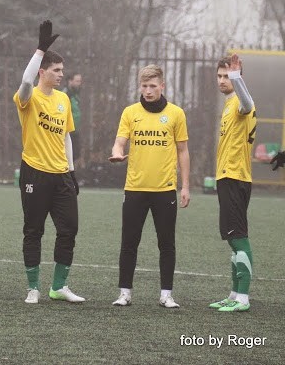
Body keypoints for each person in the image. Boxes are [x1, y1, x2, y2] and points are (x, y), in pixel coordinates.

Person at [108, 64, 190, 308]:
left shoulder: (176, 114)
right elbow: (119, 142)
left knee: (166, 244)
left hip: (165, 190)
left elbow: (183, 151)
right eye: (144, 86)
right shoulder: (130, 112)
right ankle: (125, 293)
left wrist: (185, 186)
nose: (148, 90)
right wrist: (116, 152)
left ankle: (166, 294)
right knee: (129, 243)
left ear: (162, 86)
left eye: (153, 86)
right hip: (135, 189)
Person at [14, 20, 84, 304]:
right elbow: (26, 82)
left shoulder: (64, 100)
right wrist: (40, 50)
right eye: (56, 70)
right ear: (43, 71)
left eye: (62, 71)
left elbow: (67, 137)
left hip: (61, 175)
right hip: (34, 173)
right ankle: (33, 288)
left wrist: (72, 171)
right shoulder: (29, 98)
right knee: (34, 230)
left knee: (69, 228)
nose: (61, 75)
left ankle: (59, 287)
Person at [209, 54, 256, 312]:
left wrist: (237, 77)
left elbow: (248, 104)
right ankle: (234, 293)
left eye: (227, 76)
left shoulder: (240, 100)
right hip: (226, 176)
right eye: (219, 76)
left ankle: (243, 298)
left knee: (239, 238)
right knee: (232, 238)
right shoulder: (228, 104)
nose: (222, 80)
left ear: (238, 77)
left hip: (236, 177)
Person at [62, 72, 83, 168]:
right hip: (67, 131)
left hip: (75, 129)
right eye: (77, 81)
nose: (79, 83)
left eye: (80, 81)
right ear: (70, 81)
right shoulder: (65, 95)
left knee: (76, 154)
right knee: (67, 154)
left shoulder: (76, 95)